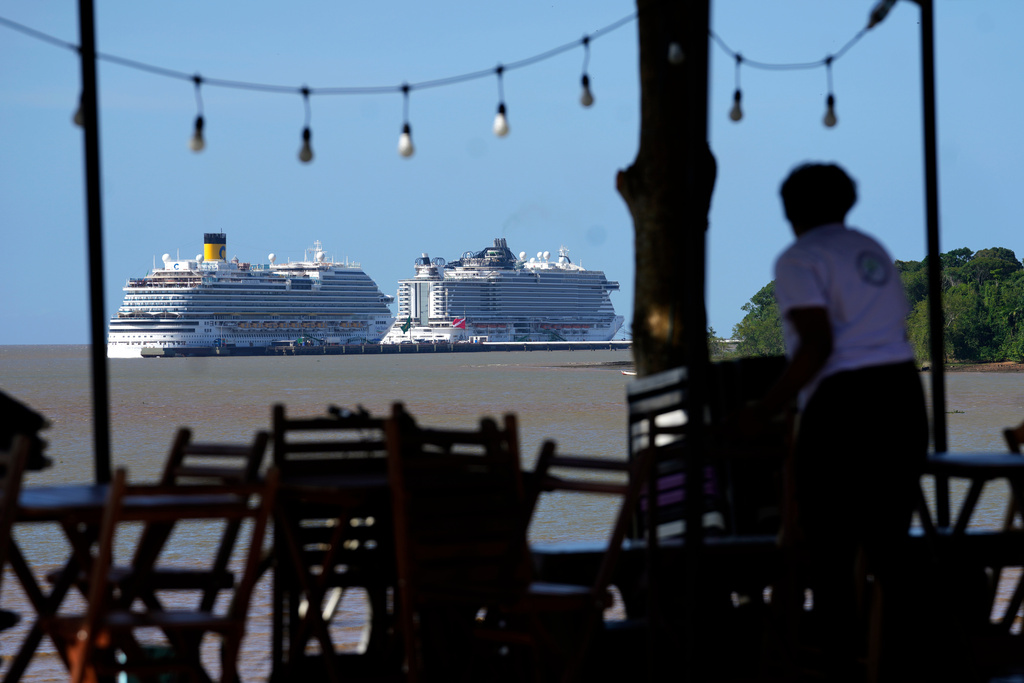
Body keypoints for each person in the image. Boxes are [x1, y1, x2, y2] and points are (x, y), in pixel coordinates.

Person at [743, 162, 928, 678]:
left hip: (846, 404)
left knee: (830, 551)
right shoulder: (871, 249)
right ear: (848, 202)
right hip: (903, 395)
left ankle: (841, 667)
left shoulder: (800, 257)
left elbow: (819, 345)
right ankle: (913, 662)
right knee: (891, 548)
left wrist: (764, 408)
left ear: (789, 208)